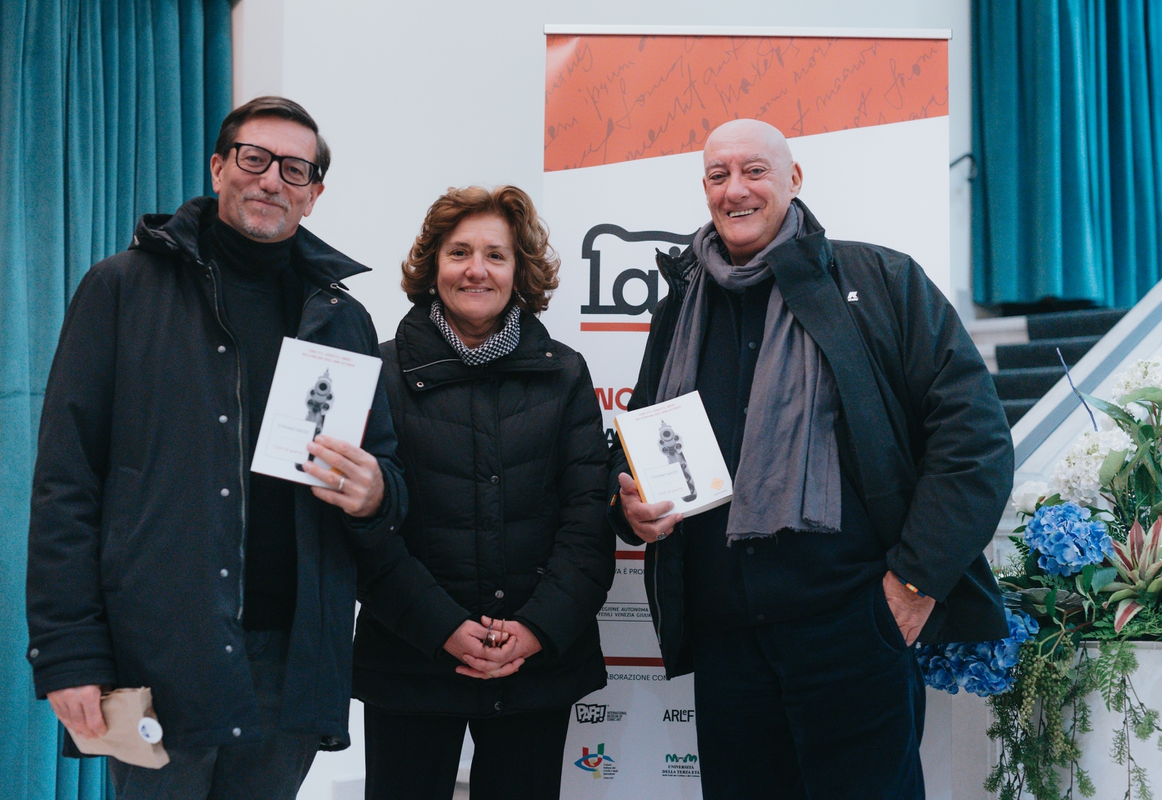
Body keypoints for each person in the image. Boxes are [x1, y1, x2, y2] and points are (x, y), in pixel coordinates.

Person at [608, 119, 1014, 799]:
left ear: (794, 179)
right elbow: (637, 441)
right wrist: (629, 507)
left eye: (755, 171)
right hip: (727, 643)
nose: (735, 189)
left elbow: (974, 440)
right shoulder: (681, 303)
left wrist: (915, 582)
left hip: (853, 628)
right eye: (718, 175)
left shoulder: (881, 280)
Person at [25, 96, 407, 799]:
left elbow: (385, 474)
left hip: (292, 662)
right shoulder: (120, 289)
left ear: (315, 194)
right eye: (254, 159)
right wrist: (69, 653)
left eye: (295, 169)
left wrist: (377, 492)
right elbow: (65, 482)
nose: (272, 180)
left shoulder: (342, 318)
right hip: (155, 655)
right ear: (218, 168)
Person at [352, 185, 614, 800]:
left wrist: (536, 630)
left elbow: (588, 520)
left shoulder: (566, 373)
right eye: (459, 252)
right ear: (432, 266)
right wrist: (441, 626)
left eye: (496, 255)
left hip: (535, 666)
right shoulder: (377, 373)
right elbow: (363, 530)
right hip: (410, 660)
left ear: (520, 271)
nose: (477, 269)